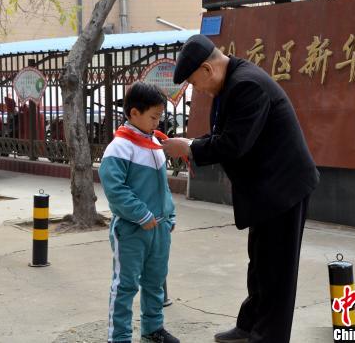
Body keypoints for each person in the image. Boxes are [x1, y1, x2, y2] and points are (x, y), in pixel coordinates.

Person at [162, 34, 320, 343]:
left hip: (283, 188)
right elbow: (225, 134)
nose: (198, 90)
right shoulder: (231, 83)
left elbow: (234, 143)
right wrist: (193, 144)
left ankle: (269, 336)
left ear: (207, 69)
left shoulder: (247, 85)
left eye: (194, 82)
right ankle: (249, 326)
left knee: (277, 270)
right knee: (260, 262)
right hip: (266, 189)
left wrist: (191, 147)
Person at [99, 82, 180, 343]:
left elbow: (162, 186)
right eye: (153, 117)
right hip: (132, 230)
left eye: (159, 117)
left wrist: (170, 215)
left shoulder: (154, 142)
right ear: (134, 113)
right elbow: (115, 189)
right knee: (125, 285)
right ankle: (119, 337)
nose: (157, 123)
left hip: (159, 228)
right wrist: (142, 215)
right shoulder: (120, 147)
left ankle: (152, 328)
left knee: (155, 281)